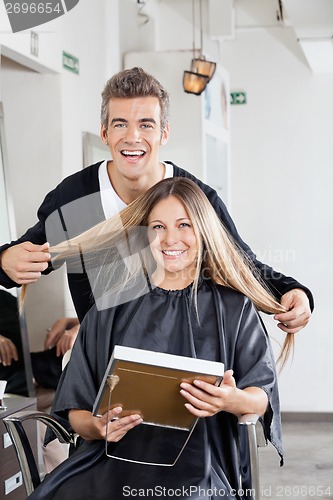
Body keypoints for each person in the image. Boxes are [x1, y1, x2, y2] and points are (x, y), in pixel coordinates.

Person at [0, 67, 312, 352]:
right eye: (120, 124)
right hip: (100, 360)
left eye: (145, 125)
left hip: (184, 357)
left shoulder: (197, 199)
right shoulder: (74, 197)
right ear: (105, 132)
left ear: (164, 133)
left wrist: (293, 291)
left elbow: (243, 266)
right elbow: (25, 258)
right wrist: (5, 260)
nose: (132, 137)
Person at [28, 177, 288, 500]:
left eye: (184, 225)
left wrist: (230, 400)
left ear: (203, 231)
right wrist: (97, 428)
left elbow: (260, 395)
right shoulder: (111, 307)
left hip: (202, 466)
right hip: (110, 464)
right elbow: (75, 410)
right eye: (158, 227)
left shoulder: (234, 310)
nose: (170, 239)